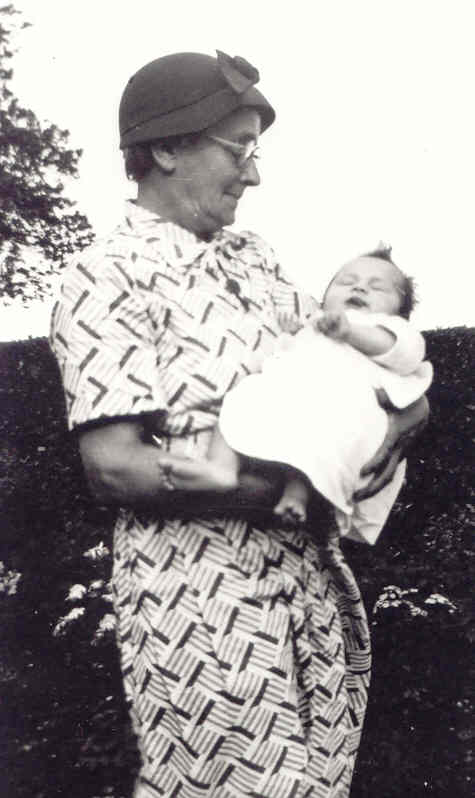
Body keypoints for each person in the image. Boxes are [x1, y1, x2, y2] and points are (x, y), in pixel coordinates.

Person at [50, 50, 429, 798]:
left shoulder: (251, 259)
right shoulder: (105, 273)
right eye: (238, 150)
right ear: (165, 149)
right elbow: (115, 465)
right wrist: (286, 490)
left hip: (312, 582)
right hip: (201, 591)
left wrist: (412, 412)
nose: (252, 175)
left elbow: (359, 364)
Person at [161, 248, 432, 546]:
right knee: (243, 397)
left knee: (320, 432)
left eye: (377, 286)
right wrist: (292, 333)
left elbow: (400, 352)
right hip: (296, 398)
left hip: (346, 408)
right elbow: (288, 354)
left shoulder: (393, 330)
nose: (359, 287)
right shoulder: (318, 324)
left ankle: (297, 492)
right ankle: (220, 468)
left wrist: (350, 331)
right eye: (346, 281)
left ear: (401, 312)